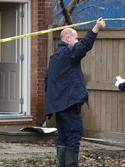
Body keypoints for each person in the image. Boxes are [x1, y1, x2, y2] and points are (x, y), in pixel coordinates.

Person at [45, 18, 106, 167]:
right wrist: (96, 29)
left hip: (59, 105)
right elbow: (84, 46)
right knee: (74, 134)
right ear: (67, 38)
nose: (77, 40)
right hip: (69, 103)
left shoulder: (55, 57)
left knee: (63, 136)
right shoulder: (68, 52)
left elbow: (47, 81)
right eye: (76, 38)